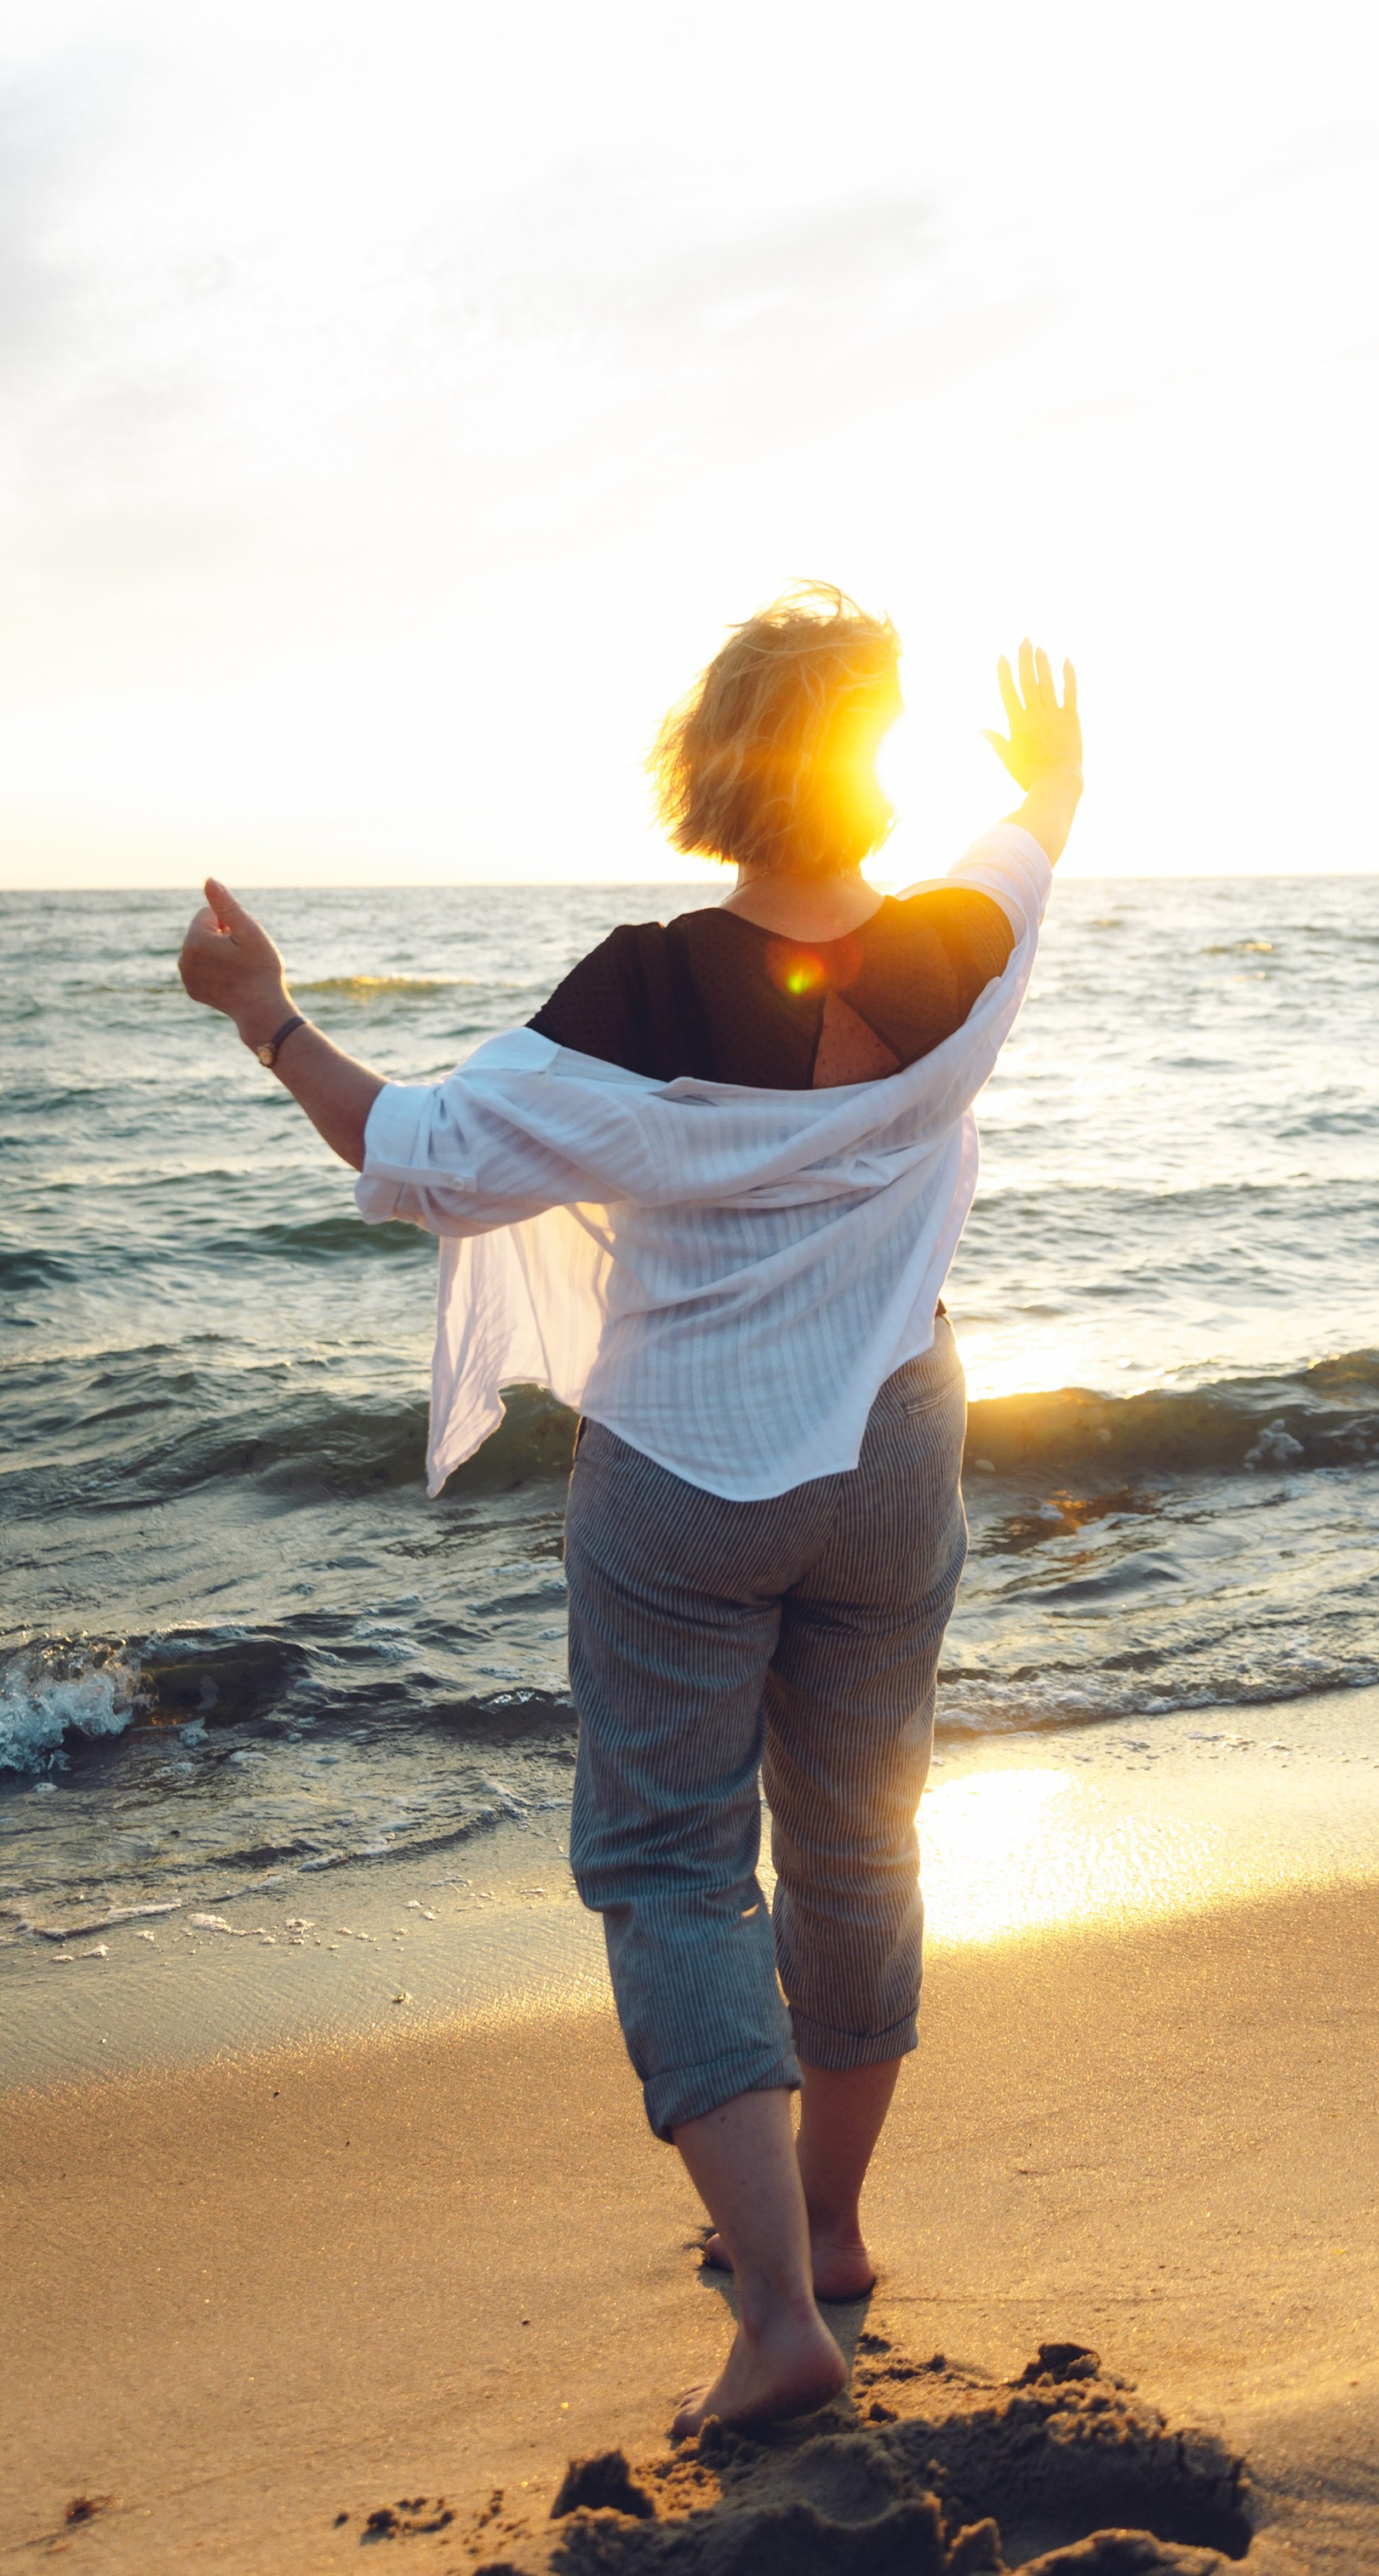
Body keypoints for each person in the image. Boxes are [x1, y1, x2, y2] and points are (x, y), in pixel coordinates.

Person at [176, 586, 1083, 2433]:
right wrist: (1051, 784)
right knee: (857, 1841)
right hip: (894, 1443)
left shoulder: (639, 993)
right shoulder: (960, 949)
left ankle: (773, 2317)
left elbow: (422, 1158)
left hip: (681, 1471)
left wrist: (265, 1016)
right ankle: (825, 2232)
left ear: (710, 774)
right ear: (867, 783)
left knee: (673, 1862)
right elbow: (1026, 839)